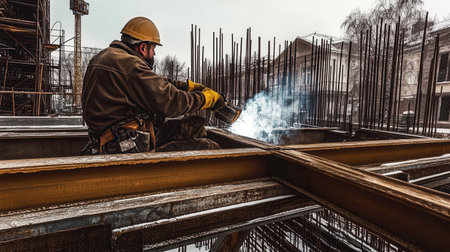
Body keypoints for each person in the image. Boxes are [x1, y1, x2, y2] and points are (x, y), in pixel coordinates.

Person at [81, 17, 225, 155]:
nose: (154, 53)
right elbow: (171, 101)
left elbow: (155, 83)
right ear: (143, 47)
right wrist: (207, 100)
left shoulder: (107, 57)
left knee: (194, 125)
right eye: (153, 48)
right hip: (124, 147)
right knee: (209, 147)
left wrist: (188, 87)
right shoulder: (131, 64)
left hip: (109, 139)